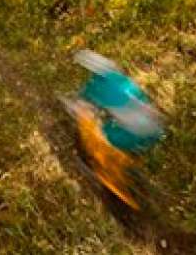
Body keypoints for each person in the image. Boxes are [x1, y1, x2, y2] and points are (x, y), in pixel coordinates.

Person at [69, 49, 164, 209]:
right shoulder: (120, 79)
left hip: (134, 134)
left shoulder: (97, 85)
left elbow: (81, 105)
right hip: (155, 128)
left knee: (100, 140)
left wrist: (71, 104)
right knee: (110, 129)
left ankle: (111, 174)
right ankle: (133, 171)